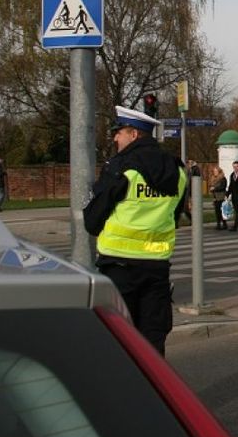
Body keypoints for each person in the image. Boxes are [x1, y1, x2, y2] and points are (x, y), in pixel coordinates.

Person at [84, 105, 186, 355]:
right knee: (153, 342)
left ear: (134, 134)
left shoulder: (121, 168)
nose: (115, 138)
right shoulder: (178, 171)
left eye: (119, 132)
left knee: (118, 342)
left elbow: (92, 221)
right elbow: (175, 216)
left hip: (119, 267)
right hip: (157, 268)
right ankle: (152, 392)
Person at [209, 166, 228, 230]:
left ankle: (224, 224)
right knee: (217, 211)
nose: (214, 172)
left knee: (222, 211)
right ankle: (218, 224)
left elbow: (222, 187)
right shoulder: (213, 178)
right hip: (215, 197)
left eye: (216, 171)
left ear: (219, 172)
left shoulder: (223, 178)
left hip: (221, 196)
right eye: (214, 171)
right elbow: (211, 186)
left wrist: (214, 188)